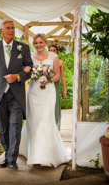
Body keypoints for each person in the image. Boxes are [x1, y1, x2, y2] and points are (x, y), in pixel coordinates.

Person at [0, 19, 33, 169]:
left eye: (12, 28)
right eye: (8, 28)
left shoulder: (23, 48)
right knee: (3, 128)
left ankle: (11, 160)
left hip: (16, 95)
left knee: (15, 126)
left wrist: (18, 76)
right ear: (1, 31)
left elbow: (29, 66)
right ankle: (8, 154)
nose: (11, 30)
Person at [19, 33, 69, 168]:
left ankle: (46, 155)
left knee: (46, 120)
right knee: (34, 120)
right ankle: (33, 153)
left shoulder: (54, 57)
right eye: (36, 43)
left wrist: (47, 80)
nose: (38, 45)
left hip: (48, 92)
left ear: (45, 43)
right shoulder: (29, 57)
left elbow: (57, 75)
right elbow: (26, 71)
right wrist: (28, 72)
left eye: (41, 42)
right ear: (33, 45)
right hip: (33, 92)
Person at [48, 44, 67, 130]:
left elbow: (62, 76)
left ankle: (56, 127)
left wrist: (65, 89)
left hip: (56, 85)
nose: (52, 52)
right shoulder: (46, 61)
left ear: (57, 52)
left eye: (54, 50)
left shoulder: (60, 62)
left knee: (55, 105)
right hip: (47, 85)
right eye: (50, 50)